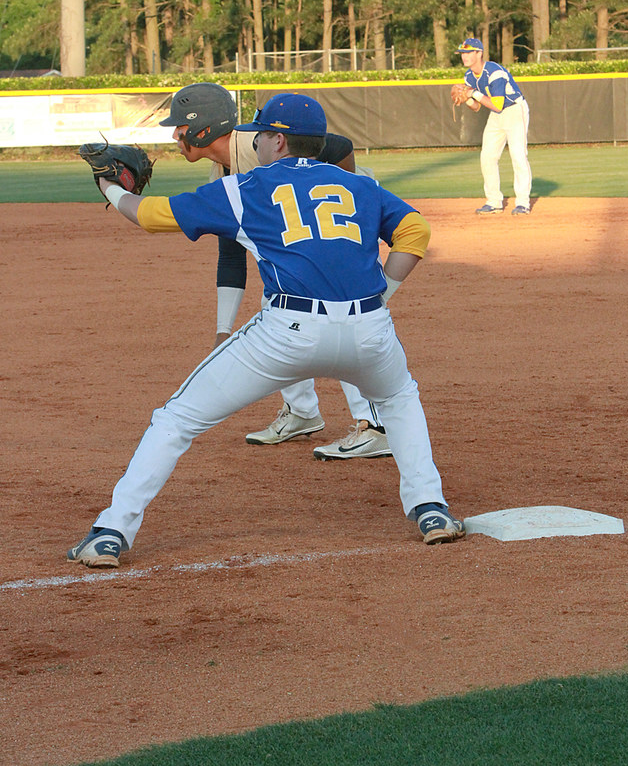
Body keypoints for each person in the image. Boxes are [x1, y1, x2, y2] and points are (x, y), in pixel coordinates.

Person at [67, 93, 464, 568]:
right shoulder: (362, 185)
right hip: (369, 330)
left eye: (260, 134)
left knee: (176, 419)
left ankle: (111, 531)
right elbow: (416, 231)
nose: (254, 142)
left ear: (278, 141)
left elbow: (149, 215)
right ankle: (431, 509)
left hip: (287, 334)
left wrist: (110, 186)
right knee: (399, 400)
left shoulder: (245, 187)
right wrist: (382, 295)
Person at [159, 83, 392, 462]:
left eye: (180, 127)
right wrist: (222, 331)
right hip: (309, 232)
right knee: (280, 308)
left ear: (203, 129)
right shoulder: (222, 173)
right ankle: (302, 412)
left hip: (342, 225)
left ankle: (375, 426)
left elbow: (340, 146)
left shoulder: (256, 145)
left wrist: (345, 194)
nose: (175, 136)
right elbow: (231, 254)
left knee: (336, 313)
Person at [451, 37, 532, 215]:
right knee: (487, 157)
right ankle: (494, 202)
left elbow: (498, 105)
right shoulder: (469, 76)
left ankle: (523, 203)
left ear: (479, 53)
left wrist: (472, 93)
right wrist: (466, 99)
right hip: (496, 115)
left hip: (514, 110)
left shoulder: (494, 72)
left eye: (468, 52)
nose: (464, 56)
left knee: (518, 155)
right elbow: (476, 107)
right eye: (462, 53)